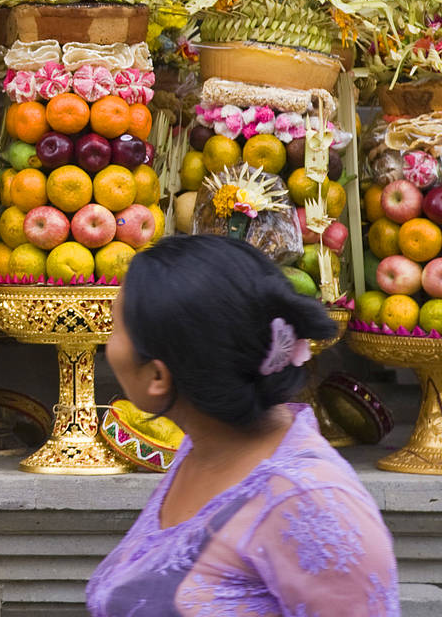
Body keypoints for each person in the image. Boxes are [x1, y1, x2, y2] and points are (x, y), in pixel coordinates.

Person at [88, 234, 400, 617]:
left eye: (115, 327)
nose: (108, 343)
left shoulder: (311, 503)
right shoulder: (203, 447)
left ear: (157, 376)